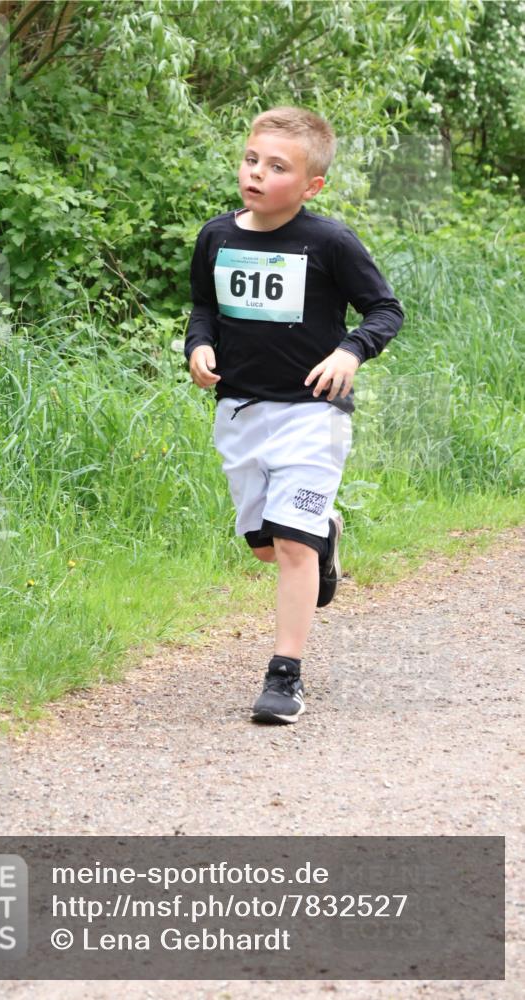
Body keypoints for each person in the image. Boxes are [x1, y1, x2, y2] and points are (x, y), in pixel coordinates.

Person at [184, 106, 404, 725]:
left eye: (277, 166)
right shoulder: (216, 236)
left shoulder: (329, 242)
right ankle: (326, 535)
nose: (257, 173)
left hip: (313, 414)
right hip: (241, 413)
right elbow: (204, 308)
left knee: (290, 545)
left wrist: (350, 350)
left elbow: (384, 309)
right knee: (264, 546)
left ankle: (285, 676)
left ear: (311, 186)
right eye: (251, 159)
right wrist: (197, 346)